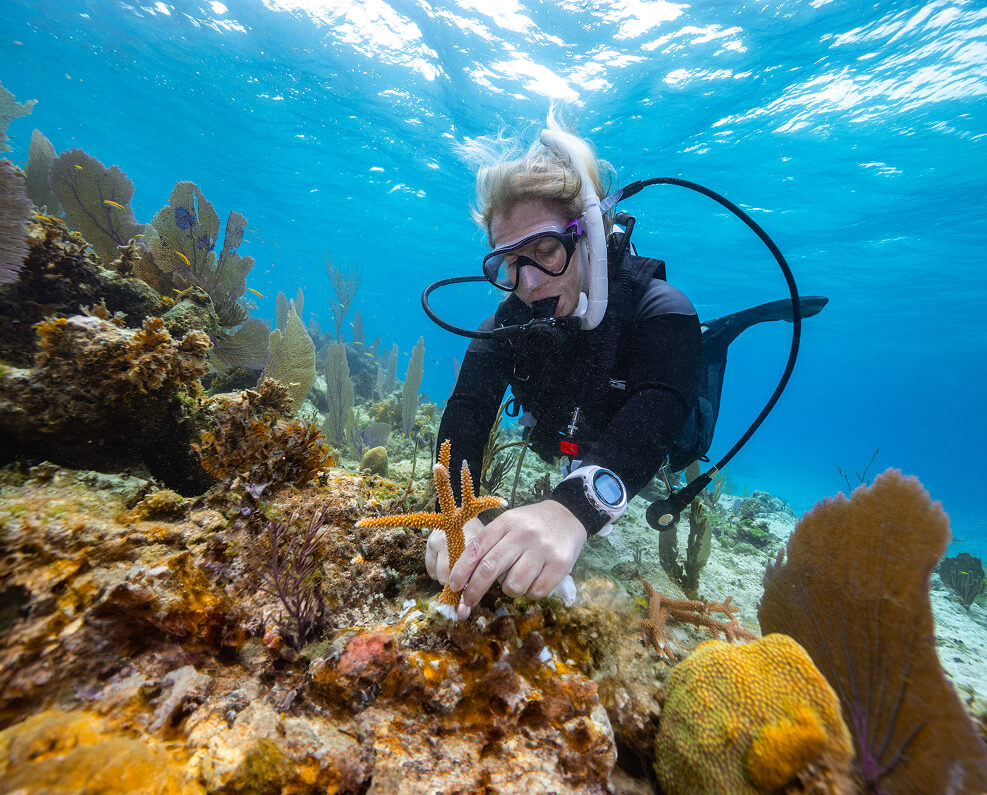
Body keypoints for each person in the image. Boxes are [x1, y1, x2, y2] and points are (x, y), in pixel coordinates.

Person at [425, 113, 824, 620]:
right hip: (568, 430)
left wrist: (571, 510)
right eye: (508, 262)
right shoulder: (509, 318)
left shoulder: (661, 309)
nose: (528, 282)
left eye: (545, 250)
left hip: (651, 416)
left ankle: (711, 343)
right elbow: (470, 406)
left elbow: (658, 410)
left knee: (688, 435)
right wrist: (454, 514)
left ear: (588, 234)